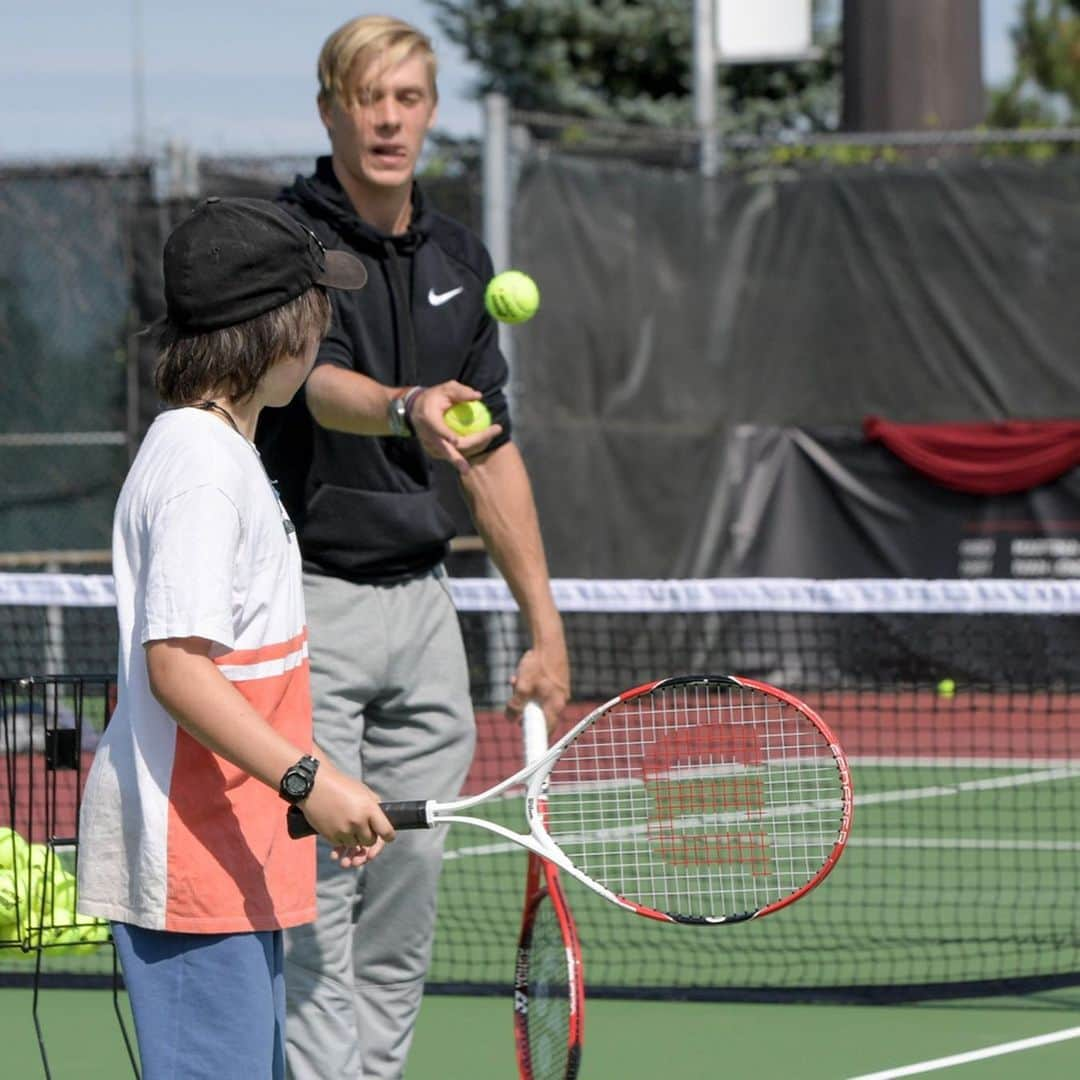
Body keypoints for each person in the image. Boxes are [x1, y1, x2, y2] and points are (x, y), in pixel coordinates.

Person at [253, 14, 571, 1080]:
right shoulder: (294, 244)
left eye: (408, 99)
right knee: (317, 900)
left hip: (425, 610)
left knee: (408, 893)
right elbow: (322, 388)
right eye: (368, 98)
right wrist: (407, 406)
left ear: (430, 112)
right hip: (309, 606)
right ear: (331, 108)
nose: (389, 120)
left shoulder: (457, 258)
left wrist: (545, 626)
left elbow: (492, 451)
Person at [76, 196, 397, 1080]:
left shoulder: (222, 454)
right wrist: (307, 777)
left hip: (232, 860)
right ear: (279, 330)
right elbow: (179, 671)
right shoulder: (200, 470)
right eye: (315, 310)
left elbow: (241, 672)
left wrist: (312, 778)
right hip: (194, 874)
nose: (323, 331)